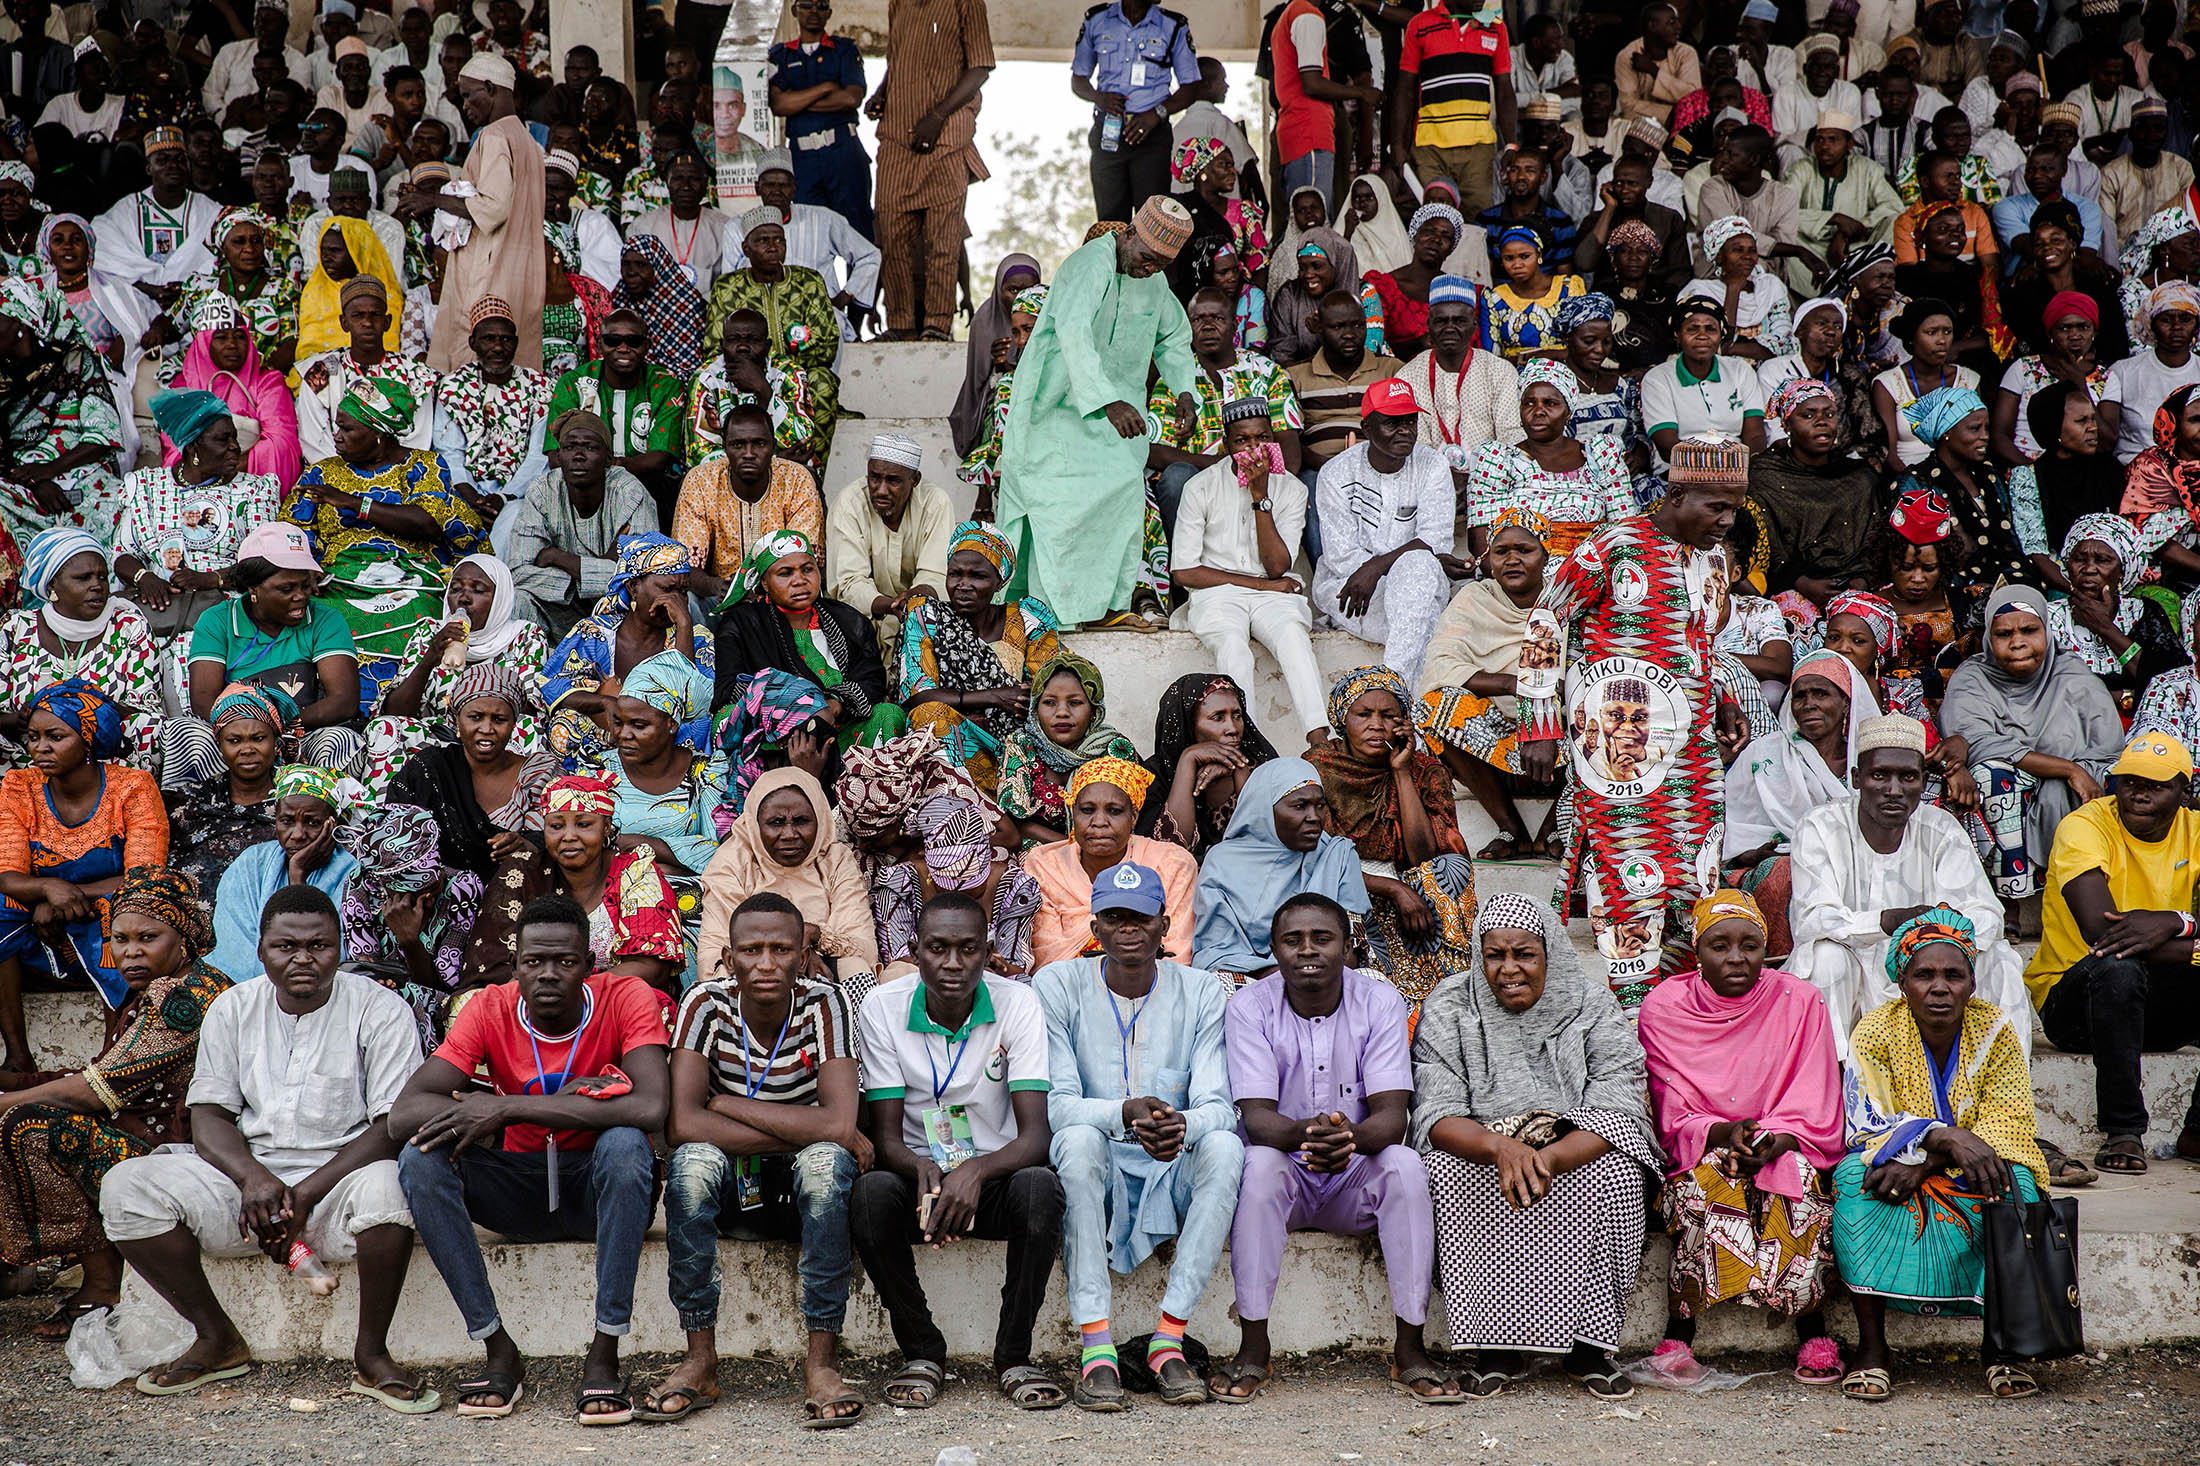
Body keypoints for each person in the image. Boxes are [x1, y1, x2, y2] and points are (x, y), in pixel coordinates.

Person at [101, 884, 427, 1405]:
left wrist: (305, 1195)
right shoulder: (232, 1008)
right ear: (260, 950)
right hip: (248, 1187)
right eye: (285, 947)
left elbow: (392, 1127)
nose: (302, 958)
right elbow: (207, 1116)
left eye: (318, 946)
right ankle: (216, 1339)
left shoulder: (380, 1009)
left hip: (343, 1182)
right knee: (127, 1187)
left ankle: (371, 1355)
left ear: (340, 947)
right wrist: (253, 1179)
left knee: (391, 1184)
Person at [391, 895, 669, 1422]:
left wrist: (506, 1107)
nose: (548, 975)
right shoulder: (490, 1006)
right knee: (419, 1158)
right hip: (516, 1193)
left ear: (589, 965)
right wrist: (581, 1102)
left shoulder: (626, 995)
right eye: (533, 962)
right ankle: (499, 1351)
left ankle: (605, 1353)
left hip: (596, 1187)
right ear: (514, 963)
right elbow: (404, 1114)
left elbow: (652, 1105)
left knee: (627, 1144)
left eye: (565, 962)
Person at [1520, 436, 1746, 999]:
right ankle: (1632, 1004)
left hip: (1691, 745)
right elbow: (1546, 621)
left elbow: (1702, 642)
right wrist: (1541, 722)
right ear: (1674, 494)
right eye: (1715, 506)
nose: (1726, 519)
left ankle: (1676, 1000)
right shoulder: (1612, 546)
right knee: (1626, 865)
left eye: (1735, 506)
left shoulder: (1715, 558)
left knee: (1695, 872)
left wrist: (1721, 696)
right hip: (1619, 742)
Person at [1411, 892, 1659, 1399]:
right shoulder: (1451, 1005)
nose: (1508, 969)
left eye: (1524, 954)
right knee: (1446, 1174)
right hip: (1480, 1144)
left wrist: (1544, 1157)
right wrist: (1501, 1149)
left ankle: (1590, 1349)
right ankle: (1493, 1348)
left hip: (1578, 1141)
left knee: (1616, 1176)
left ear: (1551, 953)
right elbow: (1435, 1112)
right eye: (1494, 955)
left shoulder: (1592, 1003)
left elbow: (1620, 1099)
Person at [1212, 891, 1446, 1401]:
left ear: (1347, 944)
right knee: (1257, 1164)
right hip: (1289, 1176)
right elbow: (1256, 1119)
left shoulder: (1381, 1000)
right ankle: (1254, 1349)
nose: (1308, 950)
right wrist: (1308, 1135)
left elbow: (1392, 1117)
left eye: (1323, 938)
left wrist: (1349, 1139)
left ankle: (1410, 1348)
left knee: (1405, 1164)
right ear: (1273, 949)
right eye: (1293, 940)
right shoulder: (1249, 1005)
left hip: (1354, 1173)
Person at [644, 889, 866, 1426]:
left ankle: (821, 1363)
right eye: (751, 950)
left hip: (798, 1189)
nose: (766, 964)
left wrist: (726, 1105)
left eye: (781, 949)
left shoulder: (825, 1002)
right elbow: (682, 1125)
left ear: (804, 956)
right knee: (692, 1164)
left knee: (825, 1164)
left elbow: (838, 1125)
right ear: (727, 958)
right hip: (730, 1189)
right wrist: (813, 1130)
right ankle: (700, 1358)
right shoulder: (704, 1003)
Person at [1033, 859, 1238, 1410]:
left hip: (1172, 1161)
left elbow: (1219, 1107)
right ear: (1094, 927)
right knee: (1076, 1141)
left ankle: (1167, 1341)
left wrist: (1183, 1125)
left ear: (1164, 926)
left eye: (1142, 918)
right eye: (1116, 918)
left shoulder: (1200, 991)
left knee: (1223, 1147)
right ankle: (1096, 1349)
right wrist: (1124, 1113)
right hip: (1099, 1159)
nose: (1129, 929)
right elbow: (1056, 1107)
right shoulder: (1058, 983)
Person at [849, 894, 1067, 1411]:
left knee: (1042, 1189)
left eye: (968, 949)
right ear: (913, 950)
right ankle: (922, 1350)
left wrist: (975, 1171)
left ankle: (1014, 1356)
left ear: (988, 950)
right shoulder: (882, 1007)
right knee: (869, 1195)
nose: (953, 963)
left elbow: (1035, 1137)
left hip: (993, 1175)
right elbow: (885, 1140)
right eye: (938, 948)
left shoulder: (1018, 1002)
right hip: (917, 1178)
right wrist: (925, 1169)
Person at [1831, 907, 2048, 1402]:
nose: (1939, 987)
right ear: (1901, 981)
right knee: (1852, 1181)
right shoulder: (1876, 1030)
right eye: (1923, 974)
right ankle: (1872, 1348)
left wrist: (1931, 1160)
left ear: (1972, 982)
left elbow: (2009, 1119)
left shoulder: (1995, 1030)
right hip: (1899, 1154)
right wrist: (1938, 1137)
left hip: (1969, 1158)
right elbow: (1866, 1118)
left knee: (2016, 1186)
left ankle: (2001, 1348)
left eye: (1954, 974)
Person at [1636, 890, 1844, 1386]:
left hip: (1784, 1142)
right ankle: (1678, 1334)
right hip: (1702, 1145)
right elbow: (1668, 1113)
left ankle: (1812, 1330)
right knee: (1701, 1186)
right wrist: (1724, 1134)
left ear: (1766, 947)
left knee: (1795, 1180)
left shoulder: (1800, 1000)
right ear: (1697, 952)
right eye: (1719, 946)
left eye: (1749, 945)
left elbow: (1816, 1098)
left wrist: (1774, 1142)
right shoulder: (1664, 1007)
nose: (1735, 958)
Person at [997, 198, 1199, 629]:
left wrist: (1184, 391)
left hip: (1114, 419)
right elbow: (1073, 333)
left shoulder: (1155, 282)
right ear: (1129, 234)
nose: (1149, 270)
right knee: (1057, 510)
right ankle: (1050, 616)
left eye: (1161, 265)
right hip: (1053, 412)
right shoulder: (1089, 264)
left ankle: (1107, 606)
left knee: (1124, 492)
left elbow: (1174, 338)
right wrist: (1107, 400)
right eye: (1146, 258)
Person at [1787, 711, 2031, 1053]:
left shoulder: (1941, 828)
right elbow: (1814, 918)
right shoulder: (1819, 827)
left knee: (2001, 959)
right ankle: (1830, 1083)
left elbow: (1986, 914)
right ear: (1857, 778)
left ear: (1921, 781)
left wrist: (1936, 933)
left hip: (1928, 962)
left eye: (1908, 777)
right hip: (1854, 959)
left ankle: (2002, 1087)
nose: (1894, 790)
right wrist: (1888, 921)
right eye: (1879, 776)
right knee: (1826, 958)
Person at [2027, 730, 2200, 1176]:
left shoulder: (2195, 831)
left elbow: (2142, 938)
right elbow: (2102, 933)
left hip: (2152, 1007)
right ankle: (2123, 1129)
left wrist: (2175, 922)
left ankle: (2197, 1130)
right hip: (2073, 1004)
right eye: (2129, 782)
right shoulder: (2084, 826)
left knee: (2128, 970)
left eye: (2156, 785)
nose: (2139, 793)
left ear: (2186, 791)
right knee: (2116, 969)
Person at [287, 377, 487, 708]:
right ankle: (336, 709)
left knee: (420, 614)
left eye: (348, 430)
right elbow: (292, 531)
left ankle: (409, 708)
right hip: (338, 579)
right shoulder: (320, 474)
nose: (337, 436)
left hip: (413, 577)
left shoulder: (424, 466)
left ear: (378, 433)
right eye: (337, 427)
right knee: (323, 617)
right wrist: (306, 568)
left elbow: (426, 522)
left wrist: (354, 504)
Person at [0, 681, 169, 1070]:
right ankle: (18, 1055)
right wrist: (47, 888)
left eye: (55, 737)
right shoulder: (19, 786)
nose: (40, 747)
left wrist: (65, 898)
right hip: (39, 929)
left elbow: (145, 876)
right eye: (33, 737)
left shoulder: (132, 788)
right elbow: (8, 875)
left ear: (88, 740)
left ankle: (118, 1050)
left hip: (100, 919)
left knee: (128, 908)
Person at [1942, 585, 2122, 899]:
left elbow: (2108, 750)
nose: (2018, 643)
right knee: (1991, 776)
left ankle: (2098, 888)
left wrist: (2074, 773)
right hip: (2012, 782)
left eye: (2029, 630)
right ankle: (2013, 898)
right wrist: (2067, 770)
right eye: (2004, 634)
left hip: (2080, 778)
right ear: (1989, 637)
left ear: (2046, 631)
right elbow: (1978, 743)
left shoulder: (2072, 675)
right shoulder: (1973, 677)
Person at [1309, 666, 1473, 1007]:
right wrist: (1393, 889)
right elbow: (1318, 857)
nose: (1376, 725)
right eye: (1363, 714)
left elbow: (1425, 856)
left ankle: (1447, 993)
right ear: (1342, 719)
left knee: (1452, 867)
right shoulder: (1318, 768)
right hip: (1345, 879)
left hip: (1412, 877)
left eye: (1389, 716)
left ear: (1403, 722)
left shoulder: (1425, 770)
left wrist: (1401, 770)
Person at [1170, 401, 1325, 741]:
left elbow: (1277, 567)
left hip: (1276, 593)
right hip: (1218, 594)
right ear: (1227, 445)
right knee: (1234, 648)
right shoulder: (1201, 486)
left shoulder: (1292, 489)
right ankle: (1246, 746)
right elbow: (1184, 571)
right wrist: (1260, 585)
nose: (1254, 449)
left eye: (1262, 438)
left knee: (1293, 639)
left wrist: (1260, 497)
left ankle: (1320, 740)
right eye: (1242, 440)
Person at [1721, 650, 1884, 951]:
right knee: (1785, 874)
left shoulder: (1873, 762)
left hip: (1858, 863)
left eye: (1821, 694)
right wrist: (1747, 854)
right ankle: (1785, 974)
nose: (1809, 704)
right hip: (1775, 866)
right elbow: (1729, 827)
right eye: (1800, 696)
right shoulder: (1765, 754)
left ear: (1846, 702)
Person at [1419, 509, 1557, 858]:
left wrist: (1541, 717)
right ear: (1488, 559)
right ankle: (1512, 831)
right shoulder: (1475, 599)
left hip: (1560, 750)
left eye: (1524, 550)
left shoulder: (1565, 600)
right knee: (1437, 705)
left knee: (1612, 715)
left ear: (1546, 554)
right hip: (1493, 752)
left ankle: (1555, 827)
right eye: (1501, 551)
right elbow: (1441, 665)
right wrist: (1515, 684)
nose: (1512, 560)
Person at [400, 54, 545, 371]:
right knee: (515, 372)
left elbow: (493, 208)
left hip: (490, 274)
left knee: (475, 367)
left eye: (468, 95)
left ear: (491, 89)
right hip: (523, 275)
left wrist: (434, 199)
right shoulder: (528, 142)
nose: (464, 105)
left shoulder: (494, 136)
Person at [361, 554, 551, 796]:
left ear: (500, 598)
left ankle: (514, 817)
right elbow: (397, 712)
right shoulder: (429, 632)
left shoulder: (524, 636)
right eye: (456, 588)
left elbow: (529, 709)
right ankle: (384, 820)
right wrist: (430, 657)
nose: (463, 599)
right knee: (386, 728)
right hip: (440, 736)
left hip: (493, 736)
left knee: (529, 728)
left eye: (478, 590)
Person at [1312, 379, 1459, 687]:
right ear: (1367, 428)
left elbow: (1434, 547)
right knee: (1421, 617)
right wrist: (1372, 573)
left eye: (1410, 421)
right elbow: (1342, 559)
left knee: (1417, 569)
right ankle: (1408, 710)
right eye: (1392, 423)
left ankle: (1393, 692)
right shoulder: (1336, 473)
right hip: (1352, 590)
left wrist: (1376, 566)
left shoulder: (1432, 465)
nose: (1405, 430)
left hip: (1417, 583)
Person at [898, 521, 1060, 794]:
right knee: (931, 716)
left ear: (999, 581)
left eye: (978, 576)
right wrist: (994, 697)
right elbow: (919, 695)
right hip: (950, 739)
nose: (964, 585)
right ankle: (961, 809)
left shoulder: (1029, 619)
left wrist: (968, 702)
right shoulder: (927, 618)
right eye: (955, 574)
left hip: (1019, 746)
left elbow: (1046, 690)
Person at [865, 0, 993, 340]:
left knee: (942, 239)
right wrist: (881, 93)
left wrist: (937, 117)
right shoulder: (898, 3)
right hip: (897, 134)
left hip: (946, 134)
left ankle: (937, 323)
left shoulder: (966, 3)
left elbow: (980, 68)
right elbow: (898, 59)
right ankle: (901, 324)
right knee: (891, 233)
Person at [714, 530, 902, 753]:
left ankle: (873, 780)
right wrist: (795, 704)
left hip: (841, 729)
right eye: (785, 573)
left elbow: (872, 678)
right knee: (725, 719)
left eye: (807, 569)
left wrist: (838, 703)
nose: (799, 580)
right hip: (775, 736)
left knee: (889, 714)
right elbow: (728, 689)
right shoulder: (742, 625)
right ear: (764, 582)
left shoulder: (849, 621)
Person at [540, 532, 714, 769]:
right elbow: (553, 686)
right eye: (668, 588)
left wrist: (684, 626)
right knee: (565, 722)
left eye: (683, 592)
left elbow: (691, 703)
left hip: (665, 746)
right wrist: (604, 703)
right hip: (605, 743)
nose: (677, 600)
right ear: (634, 587)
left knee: (700, 726)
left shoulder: (697, 638)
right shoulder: (595, 633)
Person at [698, 763, 877, 984]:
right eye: (776, 823)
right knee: (723, 975)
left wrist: (813, 934)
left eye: (801, 821)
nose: (790, 834)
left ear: (820, 819)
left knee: (855, 966)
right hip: (754, 978)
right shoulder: (732, 862)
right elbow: (713, 953)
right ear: (755, 824)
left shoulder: (835, 859)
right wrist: (787, 951)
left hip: (825, 976)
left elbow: (864, 947)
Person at [0, 529, 161, 772]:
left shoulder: (129, 626)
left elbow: (146, 709)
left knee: (159, 730)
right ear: (53, 584)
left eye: (102, 577)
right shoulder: (15, 629)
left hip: (107, 758)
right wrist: (23, 720)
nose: (97, 586)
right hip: (27, 759)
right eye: (83, 578)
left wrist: (81, 712)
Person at [1192, 760, 1368, 981]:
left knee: (1374, 984)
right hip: (1252, 979)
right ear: (1264, 809)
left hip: (1327, 978)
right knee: (1219, 986)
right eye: (1299, 806)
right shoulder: (1222, 863)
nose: (1314, 817)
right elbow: (1216, 951)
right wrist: (1283, 979)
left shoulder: (1337, 855)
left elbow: (1352, 947)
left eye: (1320, 806)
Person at [0, 275, 127, 551]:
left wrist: (48, 471)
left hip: (78, 464)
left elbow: (102, 435)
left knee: (113, 504)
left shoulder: (75, 358)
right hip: (19, 473)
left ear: (22, 322)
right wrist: (34, 482)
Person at [208, 763, 363, 982]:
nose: (298, 834)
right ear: (276, 821)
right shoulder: (251, 864)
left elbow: (329, 958)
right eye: (287, 821)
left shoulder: (352, 874)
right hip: (245, 991)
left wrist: (297, 874)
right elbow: (236, 950)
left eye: (313, 822)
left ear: (332, 824)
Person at [870, 792, 1042, 978]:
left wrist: (995, 965)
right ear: (930, 869)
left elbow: (1017, 965)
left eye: (973, 891)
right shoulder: (899, 883)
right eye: (949, 889)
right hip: (920, 981)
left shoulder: (1015, 887)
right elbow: (898, 959)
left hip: (990, 981)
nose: (961, 902)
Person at [673, 405, 823, 608]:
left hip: (781, 599)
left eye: (759, 443)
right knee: (686, 601)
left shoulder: (796, 479)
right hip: (718, 601)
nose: (749, 453)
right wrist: (719, 587)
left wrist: (758, 591)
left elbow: (803, 561)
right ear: (724, 446)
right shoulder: (700, 481)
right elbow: (686, 565)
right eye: (738, 444)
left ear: (773, 446)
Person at [2046, 514, 2188, 717]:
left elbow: (2173, 684)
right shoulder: (2049, 617)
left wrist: (2105, 628)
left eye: (2103, 560)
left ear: (2122, 571)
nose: (2089, 569)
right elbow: (2045, 687)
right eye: (2079, 559)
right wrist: (2122, 696)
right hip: (2068, 722)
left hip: (2141, 722)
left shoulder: (2141, 612)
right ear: (2068, 566)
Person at [994, 652, 1139, 846]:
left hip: (1104, 854)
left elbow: (1120, 823)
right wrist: (1072, 848)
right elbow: (1014, 824)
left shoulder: (1115, 750)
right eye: (1049, 703)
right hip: (1034, 857)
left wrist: (1082, 856)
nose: (1062, 712)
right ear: (1035, 709)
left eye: (1075, 703)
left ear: (1094, 710)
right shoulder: (1022, 744)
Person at [823, 432, 950, 653]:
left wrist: (914, 600)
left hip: (921, 617)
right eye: (874, 478)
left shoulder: (936, 503)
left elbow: (936, 575)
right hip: (862, 621)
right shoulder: (848, 504)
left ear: (915, 480)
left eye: (893, 481)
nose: (881, 490)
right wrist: (892, 606)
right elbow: (849, 583)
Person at [1138, 671, 1283, 857]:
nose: (1232, 729)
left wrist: (1238, 768)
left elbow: (1264, 844)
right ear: (1188, 724)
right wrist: (1188, 760)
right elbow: (1171, 851)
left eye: (1237, 715)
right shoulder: (1154, 776)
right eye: (1218, 717)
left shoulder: (1261, 769)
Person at [433, 298, 552, 525]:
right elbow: (449, 451)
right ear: (473, 342)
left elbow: (538, 457)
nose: (498, 347)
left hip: (519, 496)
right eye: (489, 339)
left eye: (506, 339)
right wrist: (470, 496)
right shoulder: (454, 387)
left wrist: (503, 497)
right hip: (463, 492)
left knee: (514, 519)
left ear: (516, 343)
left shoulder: (539, 387)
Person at [1395, 273, 1520, 485]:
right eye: (1441, 321)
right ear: (1429, 325)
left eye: (1459, 321)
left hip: (1491, 484)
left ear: (1473, 325)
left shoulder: (1500, 371)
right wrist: (1443, 479)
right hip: (1426, 484)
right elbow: (1413, 445)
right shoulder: (1408, 376)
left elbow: (1512, 436)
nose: (1450, 328)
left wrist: (1480, 477)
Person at [1642, 297, 1769, 470]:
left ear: (1720, 334)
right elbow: (1667, 445)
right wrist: (1713, 470)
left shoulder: (1740, 370)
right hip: (1680, 471)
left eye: (1710, 329)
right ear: (1677, 335)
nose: (1702, 336)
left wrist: (1752, 469)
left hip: (1737, 468)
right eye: (1692, 329)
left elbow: (1754, 435)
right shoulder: (1658, 378)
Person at [1359, 205, 1475, 362]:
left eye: (1446, 236)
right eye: (1429, 232)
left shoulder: (1456, 291)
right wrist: (1419, 344)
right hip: (1395, 376)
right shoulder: (1382, 287)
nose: (1436, 239)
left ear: (1451, 249)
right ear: (1415, 235)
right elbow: (1374, 346)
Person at [951, 254, 1040, 456]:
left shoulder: (1049, 321)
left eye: (1029, 290)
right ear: (999, 289)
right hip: (994, 406)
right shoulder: (985, 320)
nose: (1020, 298)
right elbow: (979, 384)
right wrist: (999, 367)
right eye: (1013, 290)